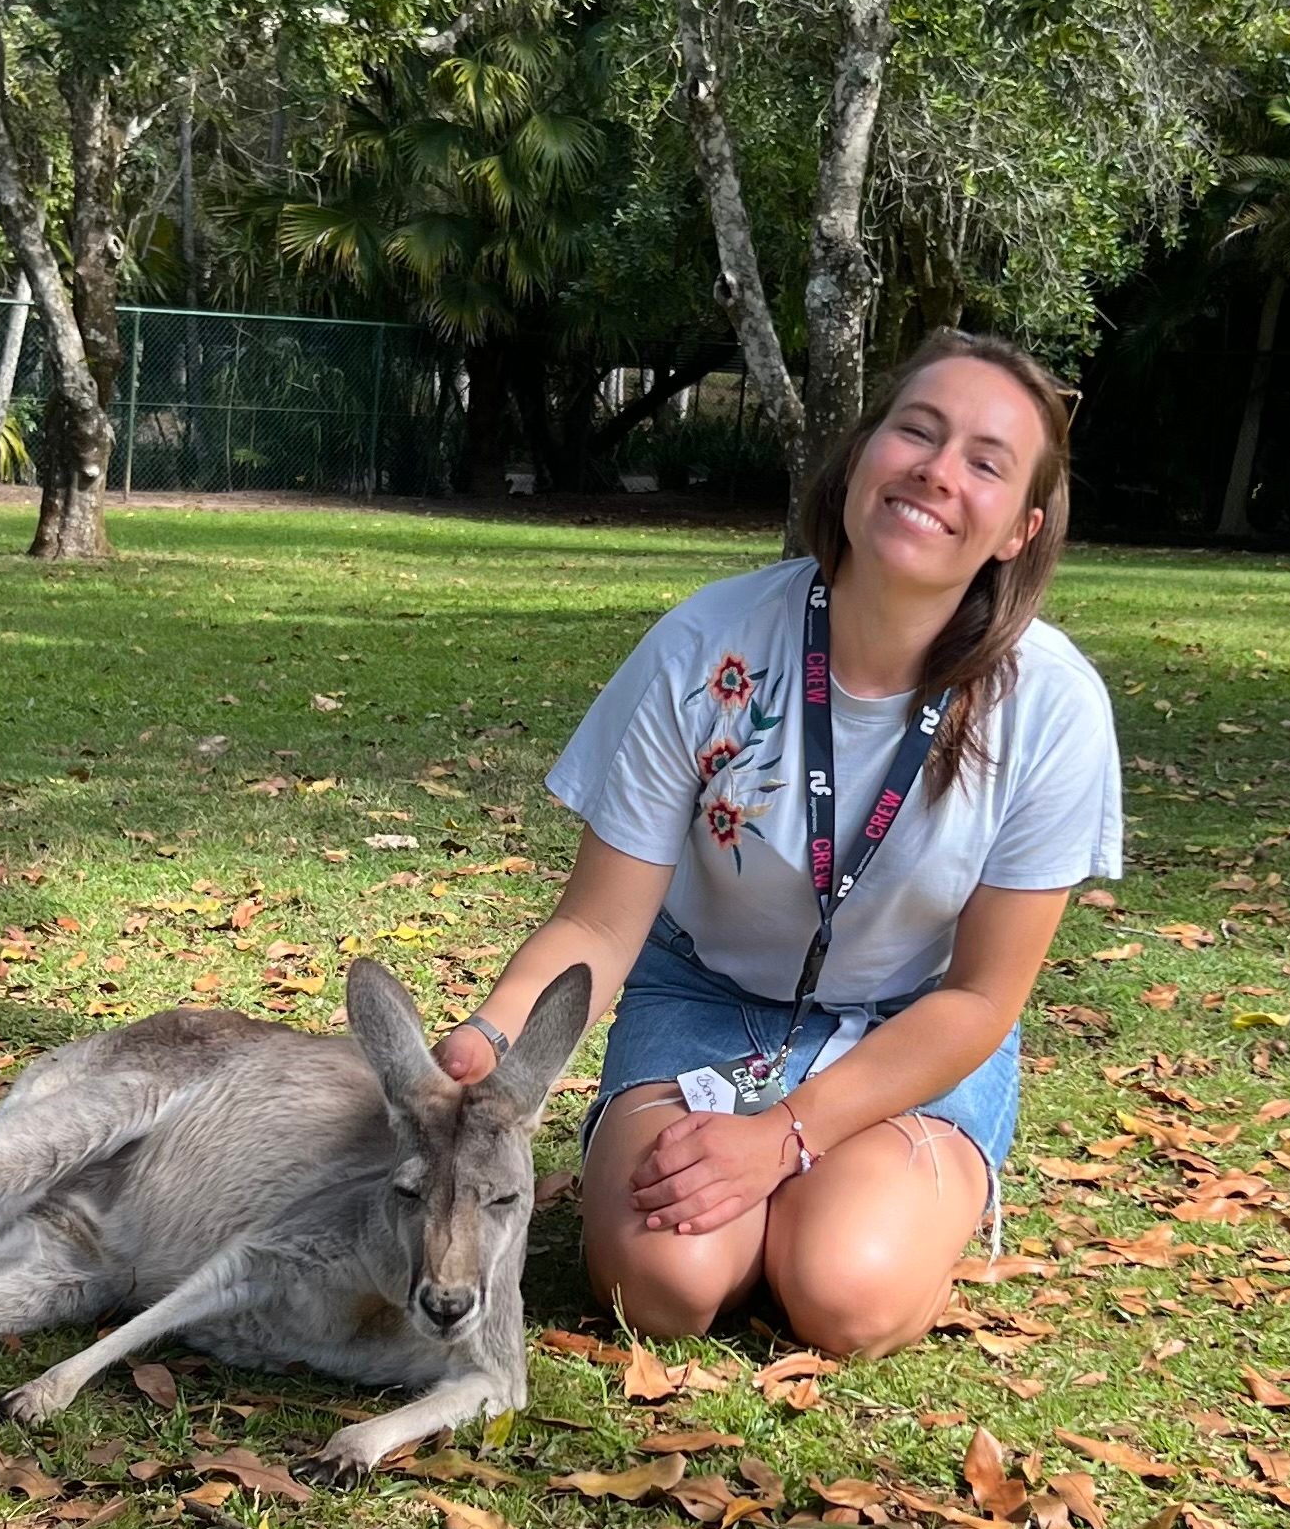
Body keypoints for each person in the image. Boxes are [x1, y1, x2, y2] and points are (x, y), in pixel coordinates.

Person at [435, 332, 1121, 1355]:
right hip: (708, 995)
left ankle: (845, 1201)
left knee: (844, 1295)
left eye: (984, 461)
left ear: (1020, 530)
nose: (936, 471)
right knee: (663, 1287)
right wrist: (487, 1040)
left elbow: (981, 997)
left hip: (908, 1025)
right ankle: (768, 1208)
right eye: (915, 432)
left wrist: (783, 1138)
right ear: (859, 458)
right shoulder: (707, 645)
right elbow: (598, 922)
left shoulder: (1053, 707)